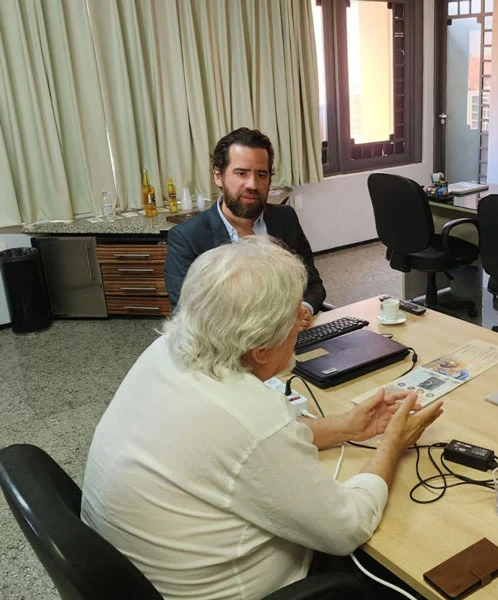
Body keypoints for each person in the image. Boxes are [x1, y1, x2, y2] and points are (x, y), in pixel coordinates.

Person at [82, 237, 443, 600]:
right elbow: (347, 528)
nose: (303, 325)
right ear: (260, 349)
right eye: (294, 319)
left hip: (143, 575)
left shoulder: (166, 350)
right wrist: (393, 444)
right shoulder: (252, 418)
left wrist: (348, 426)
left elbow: (231, 446)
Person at [165, 127, 325, 330]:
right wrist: (268, 326)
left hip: (293, 339)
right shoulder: (187, 237)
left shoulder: (285, 218)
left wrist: (305, 308)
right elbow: (187, 314)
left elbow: (313, 285)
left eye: (261, 174)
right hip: (230, 351)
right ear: (218, 176)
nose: (252, 184)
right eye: (241, 173)